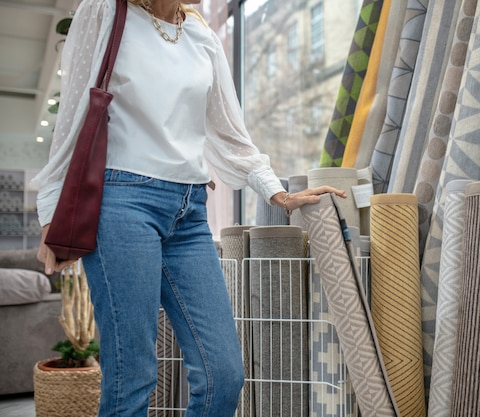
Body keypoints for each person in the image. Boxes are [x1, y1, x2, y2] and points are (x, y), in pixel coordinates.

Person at [32, 0, 346, 415]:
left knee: (225, 374)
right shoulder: (107, 11)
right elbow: (72, 115)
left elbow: (230, 133)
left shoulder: (200, 34)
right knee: (132, 377)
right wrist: (51, 212)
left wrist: (278, 193)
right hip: (122, 202)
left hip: (190, 211)